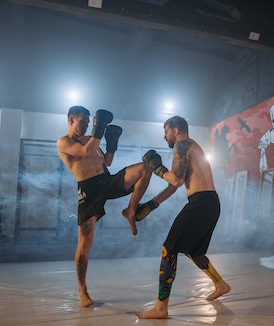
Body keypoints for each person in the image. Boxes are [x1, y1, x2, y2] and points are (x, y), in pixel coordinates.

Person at [56, 105, 152, 307]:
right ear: (71, 119)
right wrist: (99, 130)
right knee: (85, 242)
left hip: (107, 181)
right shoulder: (64, 142)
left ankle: (130, 210)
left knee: (144, 168)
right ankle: (82, 290)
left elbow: (107, 162)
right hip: (89, 191)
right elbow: (84, 151)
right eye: (83, 121)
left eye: (90, 122)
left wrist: (112, 144)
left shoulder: (91, 140)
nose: (86, 126)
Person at [136, 115, 231, 319]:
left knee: (168, 249)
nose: (165, 137)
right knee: (193, 251)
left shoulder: (183, 145)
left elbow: (176, 180)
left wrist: (156, 167)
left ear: (176, 130)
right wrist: (151, 205)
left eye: (166, 132)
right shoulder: (189, 147)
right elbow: (173, 186)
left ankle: (161, 308)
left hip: (202, 203)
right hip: (208, 203)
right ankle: (220, 284)